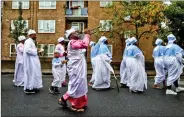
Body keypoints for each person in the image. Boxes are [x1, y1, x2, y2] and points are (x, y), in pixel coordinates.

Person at [58, 28, 91, 112]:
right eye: (74, 33)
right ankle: (75, 105)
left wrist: (85, 36)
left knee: (79, 84)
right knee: (77, 84)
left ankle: (76, 102)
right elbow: (85, 44)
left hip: (78, 66)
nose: (76, 33)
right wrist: (87, 35)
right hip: (75, 67)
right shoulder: (72, 42)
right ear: (70, 36)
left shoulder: (74, 42)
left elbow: (81, 45)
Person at [23, 29, 43, 94]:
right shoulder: (28, 41)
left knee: (33, 74)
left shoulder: (31, 41)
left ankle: (33, 86)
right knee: (30, 74)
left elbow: (31, 50)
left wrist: (37, 50)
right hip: (30, 62)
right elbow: (28, 50)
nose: (36, 36)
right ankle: (28, 88)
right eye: (35, 35)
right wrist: (36, 50)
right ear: (31, 35)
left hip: (32, 61)